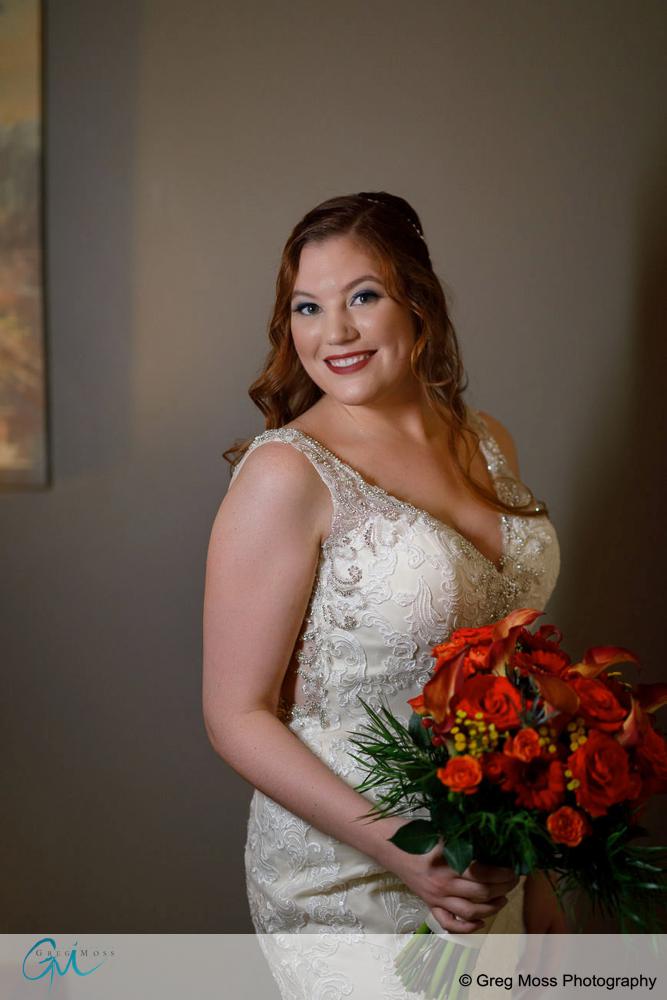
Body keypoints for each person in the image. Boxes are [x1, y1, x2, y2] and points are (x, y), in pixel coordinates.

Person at [202, 191, 566, 994]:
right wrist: (403, 847)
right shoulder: (284, 473)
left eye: (361, 297)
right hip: (351, 873)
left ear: (417, 301)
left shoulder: (485, 439)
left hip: (487, 865)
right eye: (307, 306)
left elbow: (512, 680)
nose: (332, 334)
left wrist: (536, 869)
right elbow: (235, 715)